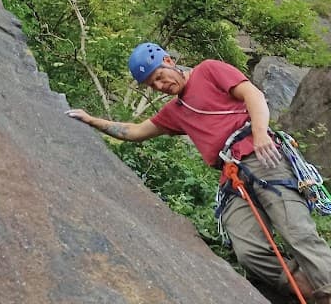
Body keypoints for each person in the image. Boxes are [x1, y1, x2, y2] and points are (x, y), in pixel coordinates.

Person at [67, 41, 331, 303]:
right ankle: (310, 291)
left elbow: (253, 95)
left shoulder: (209, 70)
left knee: (298, 232)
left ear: (169, 61)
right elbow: (135, 132)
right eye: (152, 84)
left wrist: (261, 134)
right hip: (232, 179)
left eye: (159, 76)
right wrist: (91, 120)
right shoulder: (175, 112)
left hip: (261, 156)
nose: (160, 86)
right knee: (250, 253)